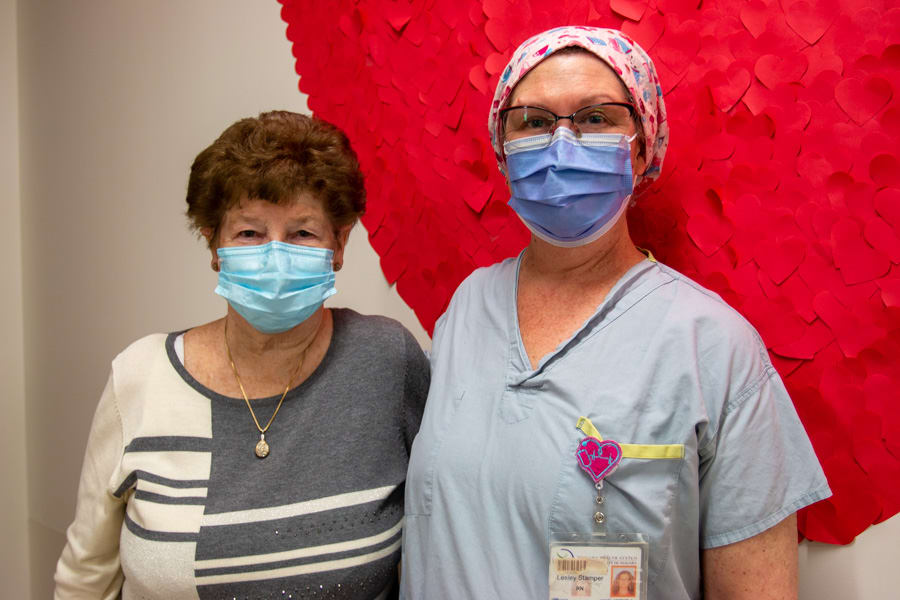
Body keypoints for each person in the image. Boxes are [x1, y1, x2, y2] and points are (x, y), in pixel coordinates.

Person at [401, 27, 830, 599]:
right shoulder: (467, 308)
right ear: (502, 153)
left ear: (644, 143)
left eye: (596, 118)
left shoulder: (713, 346)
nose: (561, 142)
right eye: (532, 121)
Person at [54, 111, 430, 599]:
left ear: (339, 244)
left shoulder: (386, 360)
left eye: (302, 234)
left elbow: (439, 534)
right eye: (249, 233)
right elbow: (86, 579)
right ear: (213, 244)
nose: (275, 256)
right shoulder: (140, 378)